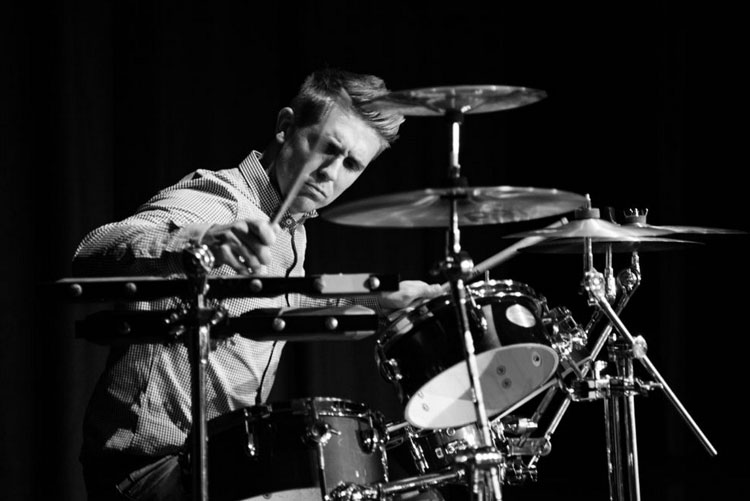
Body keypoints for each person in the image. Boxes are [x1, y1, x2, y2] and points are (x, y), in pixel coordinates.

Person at [73, 67, 444, 500]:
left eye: (351, 164)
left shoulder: (291, 227)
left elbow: (283, 296)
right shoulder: (219, 200)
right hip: (148, 469)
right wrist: (199, 239)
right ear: (286, 126)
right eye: (328, 147)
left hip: (222, 461)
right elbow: (92, 253)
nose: (331, 172)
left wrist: (378, 297)